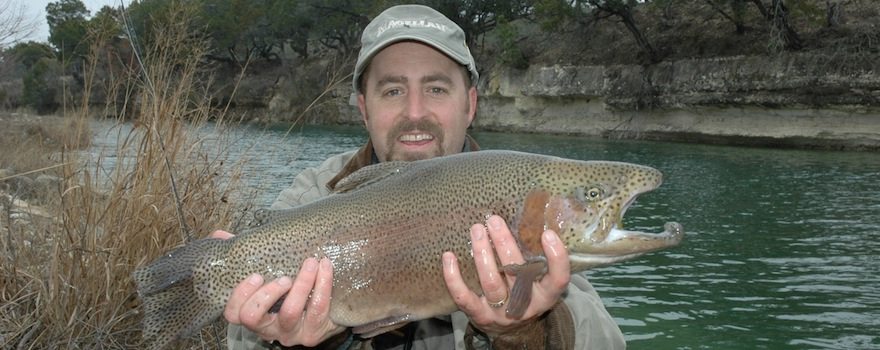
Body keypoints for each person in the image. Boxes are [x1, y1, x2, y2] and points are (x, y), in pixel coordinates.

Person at [214, 4, 626, 349]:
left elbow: (604, 340)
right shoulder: (313, 195)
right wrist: (305, 341)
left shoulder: (519, 196)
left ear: (470, 104)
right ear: (364, 108)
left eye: (436, 89)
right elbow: (240, 333)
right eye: (393, 90)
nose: (414, 112)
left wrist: (524, 331)